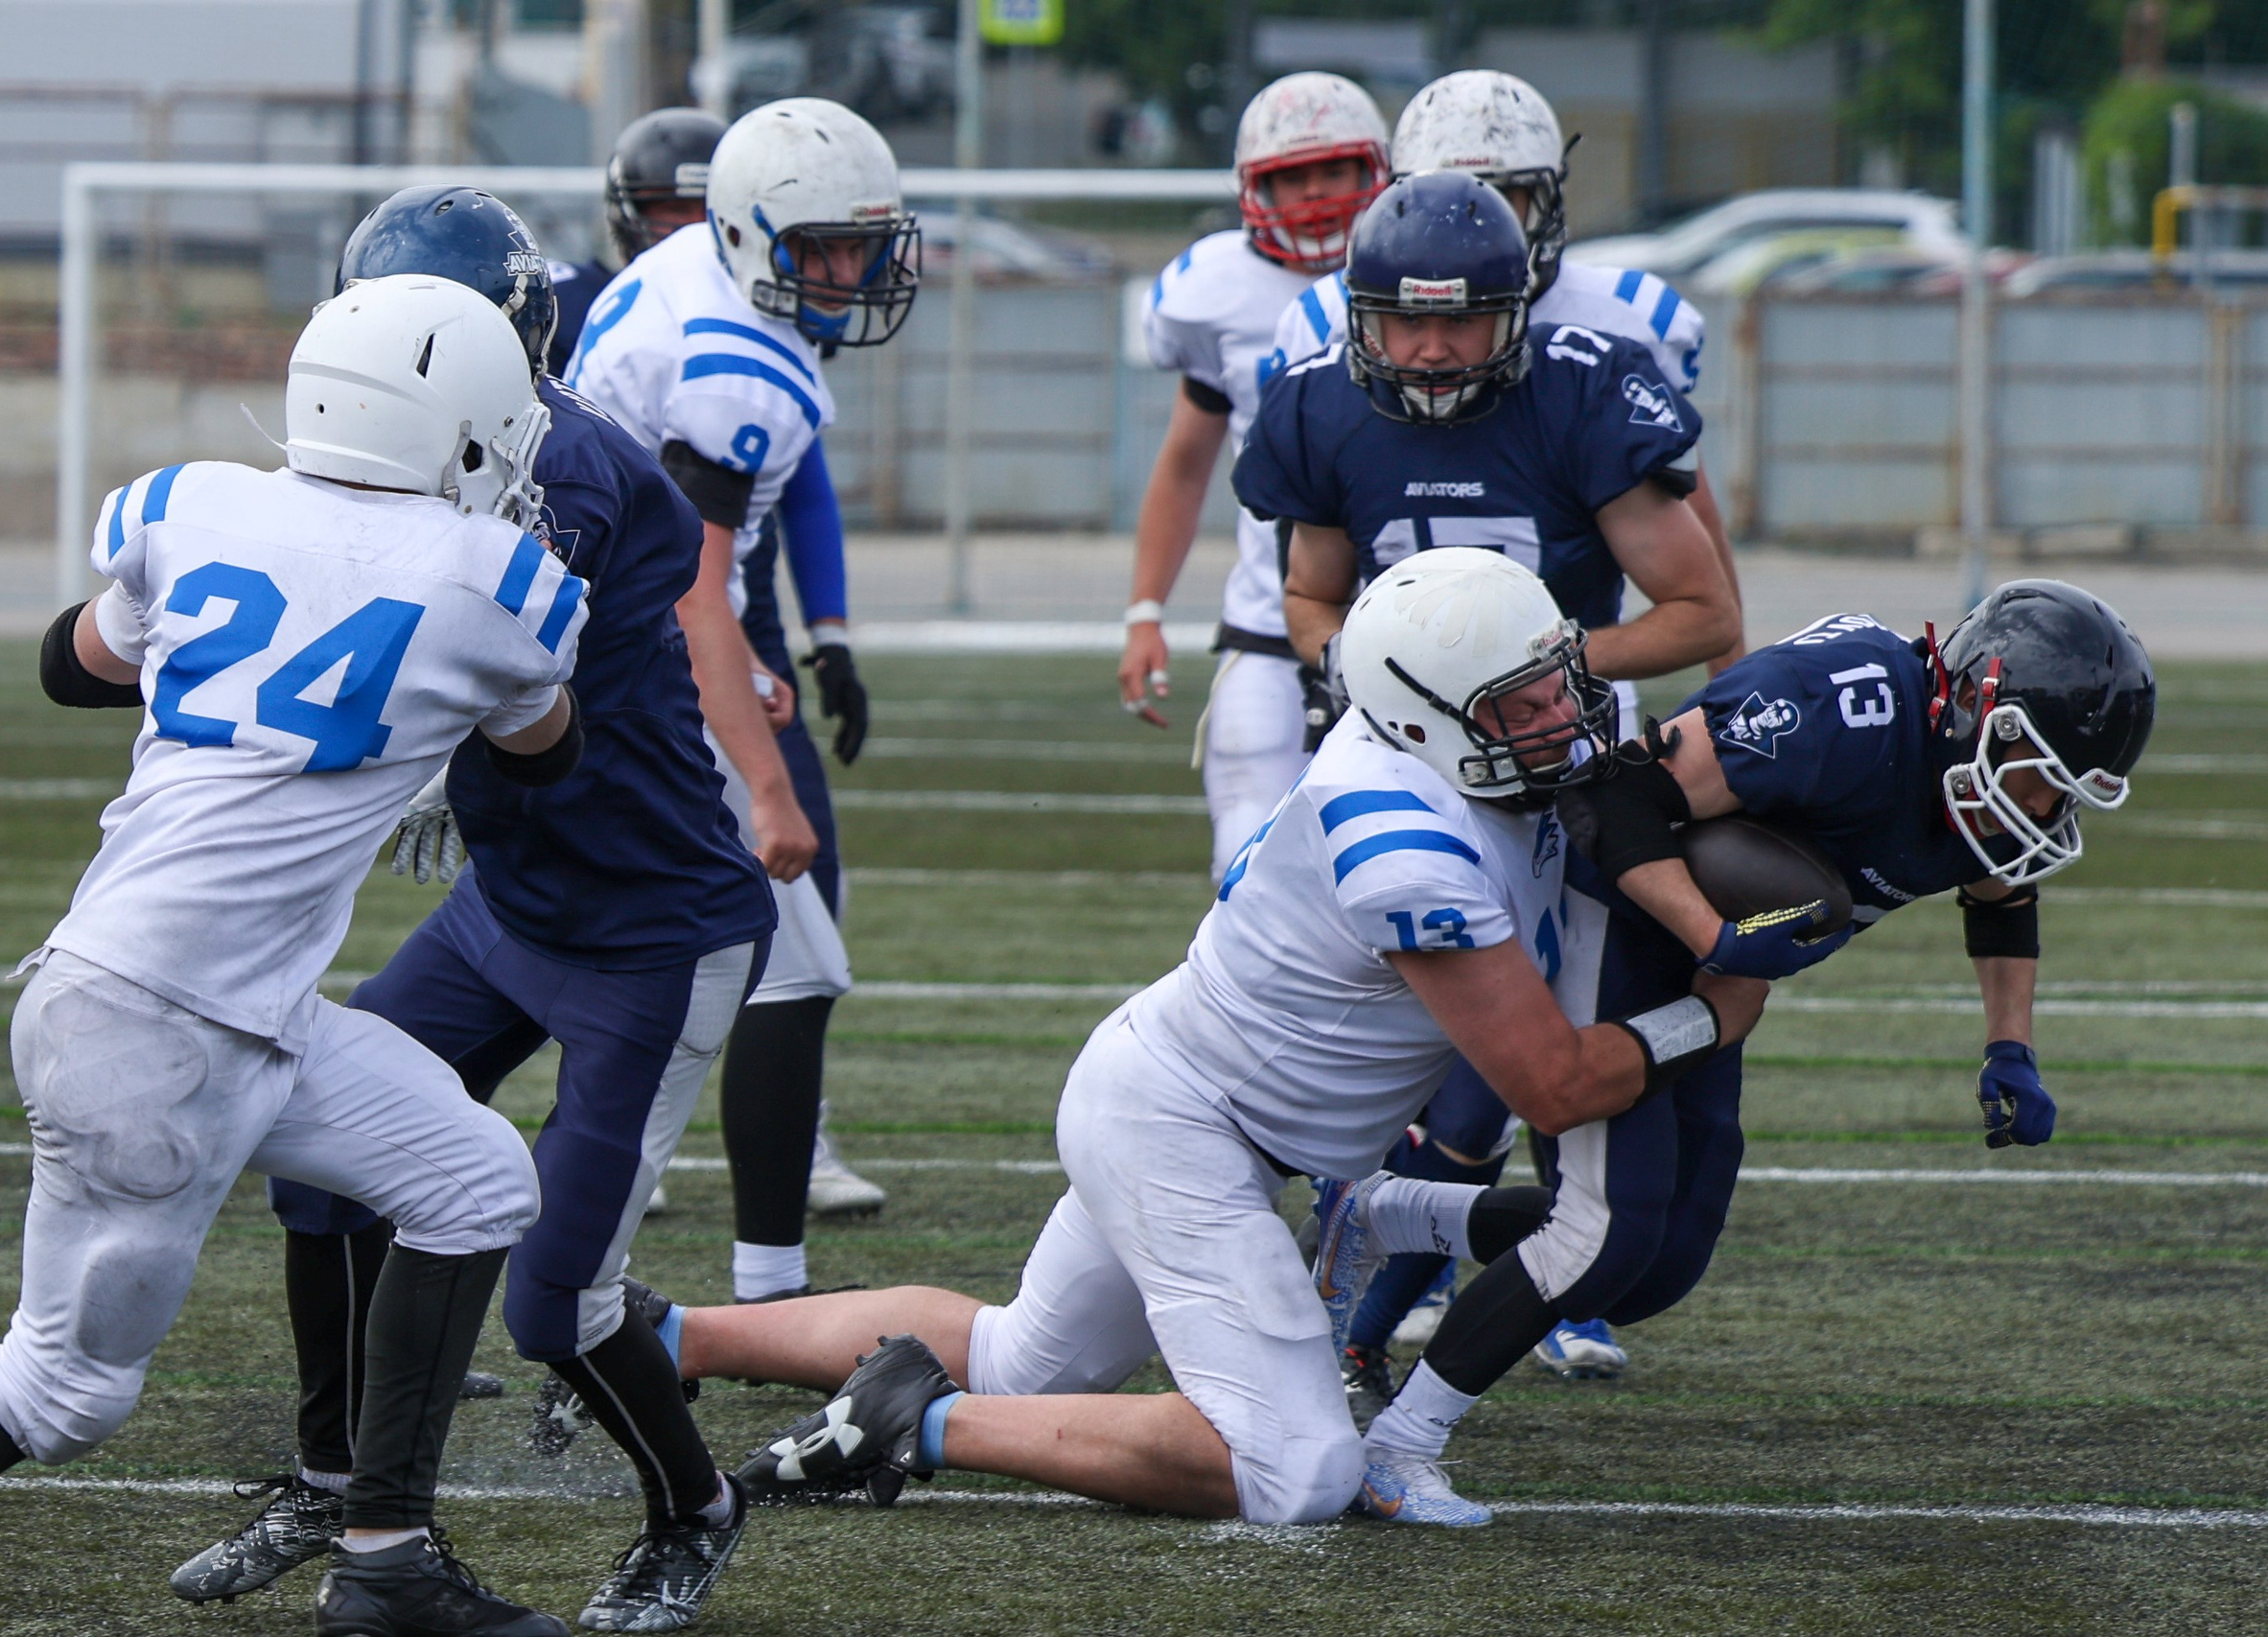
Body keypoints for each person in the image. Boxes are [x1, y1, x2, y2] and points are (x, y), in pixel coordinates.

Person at [616, 551, 1766, 1530]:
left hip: (1180, 1095)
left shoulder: (1444, 755)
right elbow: (1552, 1086)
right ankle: (907, 1421)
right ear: (1424, 718)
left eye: (1558, 681)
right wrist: (1710, 1009)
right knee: (1298, 1469)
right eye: (1520, 707)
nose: (1562, 717)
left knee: (1024, 1363)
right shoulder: (1402, 842)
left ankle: (673, 1337)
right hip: (1184, 1125)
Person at [0, 275, 587, 1636]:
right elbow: (549, 746)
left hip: (217, 1005)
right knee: (62, 1394)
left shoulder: (191, 506)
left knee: (472, 1176)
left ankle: (388, 1555)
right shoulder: (499, 586)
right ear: (458, 433)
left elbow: (74, 662)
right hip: (154, 1033)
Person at [171, 187, 770, 1635]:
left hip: (652, 924)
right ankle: (339, 1478)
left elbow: (488, 640)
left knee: (558, 1299)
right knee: (315, 1167)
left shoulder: (566, 466)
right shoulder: (431, 436)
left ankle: (696, 1506)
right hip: (511, 904)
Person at [1321, 581, 2157, 1521]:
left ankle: (1379, 1217)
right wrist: (1712, 938)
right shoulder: (1844, 707)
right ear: (1975, 710)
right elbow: (1612, 797)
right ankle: (1395, 1447)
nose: (2041, 808)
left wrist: (2010, 1048)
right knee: (1605, 1230)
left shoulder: (1984, 793)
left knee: (1655, 1261)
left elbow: (2002, 894)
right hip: (1624, 914)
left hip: (1711, 969)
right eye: (2039, 774)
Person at [1234, 167, 1742, 1404]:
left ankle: (1399, 1266)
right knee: (1394, 1065)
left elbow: (1701, 609)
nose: (1429, 345)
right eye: (1404, 318)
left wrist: (1529, 672)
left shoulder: (1584, 394)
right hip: (1401, 780)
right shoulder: (1319, 406)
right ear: (1358, 314)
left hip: (1566, 779)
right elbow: (1310, 595)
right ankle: (1326, 1304)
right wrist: (1381, 676)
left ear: (1514, 308)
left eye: (1459, 316)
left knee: (1589, 1149)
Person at [565, 97, 918, 1303]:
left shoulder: (690, 268)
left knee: (724, 980)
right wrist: (767, 791)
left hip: (601, 629)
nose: (848, 272)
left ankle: (628, 1275)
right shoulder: (739, 363)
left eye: (860, 244)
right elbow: (689, 590)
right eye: (819, 248)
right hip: (622, 660)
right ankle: (655, 1285)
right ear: (752, 233)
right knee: (764, 970)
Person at [1115, 70, 1390, 877]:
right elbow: (1184, 462)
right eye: (1289, 176)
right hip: (1271, 624)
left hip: (1413, 625)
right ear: (1251, 188)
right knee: (1247, 865)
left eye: (1331, 171)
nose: (1311, 195)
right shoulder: (1214, 292)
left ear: (1374, 171)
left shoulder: (1431, 277)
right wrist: (1143, 608)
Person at [548, 107, 728, 365]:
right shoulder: (566, 305)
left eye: (713, 208)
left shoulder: (776, 314)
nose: (696, 231)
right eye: (676, 209)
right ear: (627, 213)